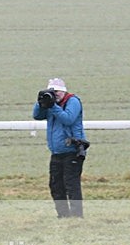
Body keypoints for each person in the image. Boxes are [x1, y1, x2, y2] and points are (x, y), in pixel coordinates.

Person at [32, 77, 89, 218]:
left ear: (64, 91)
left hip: (73, 150)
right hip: (56, 151)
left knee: (71, 185)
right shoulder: (52, 104)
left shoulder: (73, 101)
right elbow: (37, 116)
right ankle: (63, 215)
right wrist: (41, 102)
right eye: (52, 92)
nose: (55, 94)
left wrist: (53, 107)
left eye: (57, 92)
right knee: (56, 185)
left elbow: (68, 119)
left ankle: (76, 216)